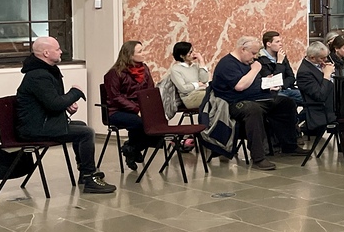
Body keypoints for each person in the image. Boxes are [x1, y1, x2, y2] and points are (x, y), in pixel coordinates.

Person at [15, 37, 115, 193]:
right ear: (46, 53)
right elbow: (54, 104)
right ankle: (90, 176)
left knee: (81, 126)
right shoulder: (38, 75)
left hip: (42, 123)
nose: (61, 51)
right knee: (86, 133)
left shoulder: (46, 72)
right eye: (57, 49)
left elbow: (51, 101)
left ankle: (84, 172)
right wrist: (75, 93)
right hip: (35, 129)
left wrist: (66, 105)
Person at [211, 36, 304, 171]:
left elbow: (253, 82)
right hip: (235, 102)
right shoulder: (228, 64)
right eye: (253, 53)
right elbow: (240, 86)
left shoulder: (247, 62)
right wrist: (255, 69)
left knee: (286, 103)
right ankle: (258, 157)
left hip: (257, 97)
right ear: (243, 49)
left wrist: (267, 83)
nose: (255, 57)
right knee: (253, 110)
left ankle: (289, 145)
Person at [103, 41, 157, 172]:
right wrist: (136, 109)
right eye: (140, 51)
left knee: (158, 125)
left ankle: (131, 148)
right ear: (130, 55)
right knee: (140, 123)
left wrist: (148, 108)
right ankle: (133, 149)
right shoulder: (115, 73)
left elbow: (150, 90)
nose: (144, 54)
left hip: (139, 109)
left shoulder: (145, 69)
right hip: (117, 111)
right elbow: (115, 97)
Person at [258, 31, 300, 108]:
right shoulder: (261, 60)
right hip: (272, 93)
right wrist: (279, 62)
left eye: (280, 41)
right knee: (286, 102)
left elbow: (291, 77)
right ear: (268, 44)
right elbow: (272, 81)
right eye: (277, 42)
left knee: (309, 98)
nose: (281, 44)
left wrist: (282, 86)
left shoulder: (281, 56)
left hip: (286, 88)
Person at [167, 41, 210, 110]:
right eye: (190, 52)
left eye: (193, 51)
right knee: (214, 96)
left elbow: (204, 80)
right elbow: (184, 88)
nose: (194, 54)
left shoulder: (195, 66)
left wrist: (201, 61)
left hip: (202, 91)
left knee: (222, 94)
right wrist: (197, 84)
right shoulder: (175, 69)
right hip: (190, 97)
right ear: (182, 56)